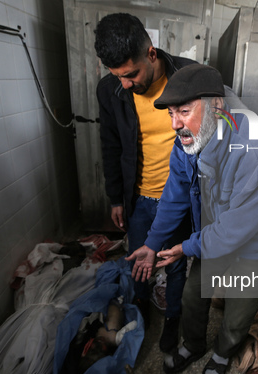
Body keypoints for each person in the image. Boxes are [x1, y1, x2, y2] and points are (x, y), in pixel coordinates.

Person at [126, 64, 258, 374]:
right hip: (219, 230)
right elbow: (175, 194)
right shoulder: (191, 136)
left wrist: (186, 246)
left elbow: (238, 227)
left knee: (238, 307)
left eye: (184, 111)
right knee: (194, 292)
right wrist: (151, 243)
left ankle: (222, 352)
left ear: (216, 106)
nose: (175, 124)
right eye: (171, 113)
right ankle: (193, 345)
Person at [94, 13, 195, 352]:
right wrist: (116, 199)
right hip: (137, 197)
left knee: (173, 262)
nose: (125, 84)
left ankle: (173, 317)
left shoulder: (188, 76)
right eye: (117, 76)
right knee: (139, 259)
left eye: (131, 74)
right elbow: (110, 145)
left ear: (151, 54)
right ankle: (140, 311)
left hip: (177, 199)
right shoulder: (110, 90)